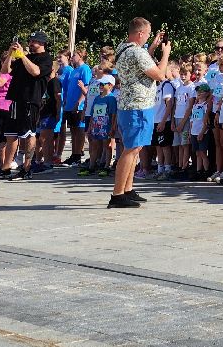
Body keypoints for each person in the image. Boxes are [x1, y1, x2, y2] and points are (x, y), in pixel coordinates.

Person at [108, 19, 172, 209]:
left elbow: (141, 63)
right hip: (138, 106)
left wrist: (151, 47)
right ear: (140, 34)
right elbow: (160, 75)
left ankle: (127, 189)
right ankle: (117, 194)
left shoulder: (124, 48)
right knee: (131, 149)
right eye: (148, 34)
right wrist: (165, 54)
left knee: (134, 148)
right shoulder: (137, 52)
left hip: (129, 105)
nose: (149, 37)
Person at [1, 32, 51, 182]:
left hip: (30, 100)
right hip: (16, 99)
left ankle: (27, 167)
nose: (31, 43)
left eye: (34, 41)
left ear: (42, 43)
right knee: (11, 134)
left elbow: (36, 72)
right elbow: (5, 71)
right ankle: (6, 167)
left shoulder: (46, 59)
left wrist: (22, 56)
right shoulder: (26, 57)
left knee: (29, 134)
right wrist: (10, 54)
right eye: (30, 40)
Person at [57, 50, 93, 165]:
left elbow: (85, 87)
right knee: (73, 130)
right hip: (69, 105)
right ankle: (74, 154)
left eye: (74, 55)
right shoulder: (74, 70)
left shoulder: (85, 69)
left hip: (79, 105)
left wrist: (78, 103)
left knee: (79, 130)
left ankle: (78, 155)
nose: (72, 57)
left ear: (81, 56)